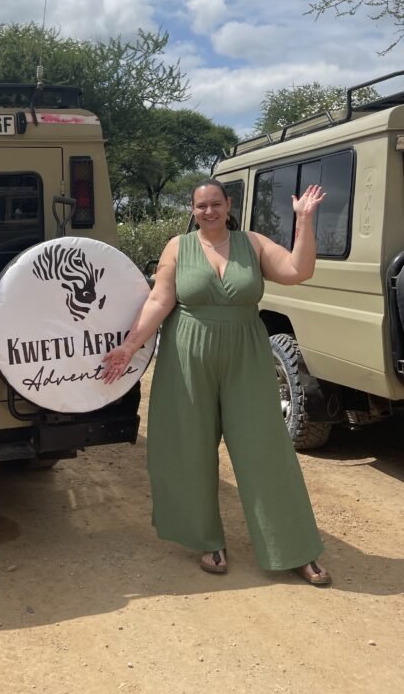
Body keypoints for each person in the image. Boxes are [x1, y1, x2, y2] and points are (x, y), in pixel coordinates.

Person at [102, 178, 331, 586]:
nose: (208, 211)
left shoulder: (253, 244)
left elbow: (298, 271)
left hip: (246, 353)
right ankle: (206, 539)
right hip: (188, 354)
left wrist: (305, 222)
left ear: (228, 206)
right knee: (188, 446)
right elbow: (160, 299)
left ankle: (294, 547)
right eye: (200, 206)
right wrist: (129, 345)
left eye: (215, 204)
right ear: (192, 210)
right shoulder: (178, 247)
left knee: (266, 450)